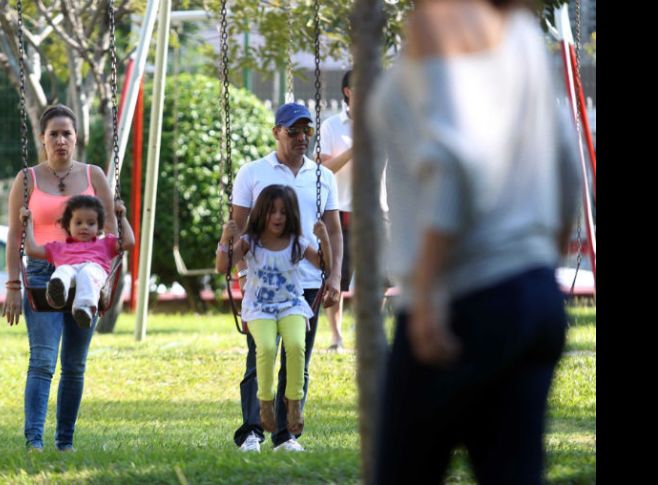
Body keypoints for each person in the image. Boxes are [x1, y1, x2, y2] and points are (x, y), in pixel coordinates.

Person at [368, 0, 582, 482]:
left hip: (462, 295)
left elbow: (452, 159)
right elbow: (564, 160)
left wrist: (424, 297)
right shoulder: (520, 30)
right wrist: (534, 265)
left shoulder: (439, 18)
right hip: (531, 296)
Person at [2, 104, 120, 452]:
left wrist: (107, 279)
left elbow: (112, 228)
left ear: (76, 137)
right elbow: (14, 235)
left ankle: (64, 442)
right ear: (42, 139)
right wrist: (12, 285)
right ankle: (34, 441)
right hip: (41, 274)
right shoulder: (28, 179)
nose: (60, 140)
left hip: (86, 274)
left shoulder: (93, 175)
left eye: (66, 133)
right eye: (53, 134)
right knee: (41, 360)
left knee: (74, 364)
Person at [229, 102, 343, 453]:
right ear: (277, 132)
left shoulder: (324, 177)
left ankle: (286, 435)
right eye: (293, 131)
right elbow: (238, 229)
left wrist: (335, 276)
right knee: (260, 353)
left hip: (307, 280)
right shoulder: (253, 172)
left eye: (306, 131)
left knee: (297, 357)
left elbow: (335, 232)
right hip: (262, 281)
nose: (301, 137)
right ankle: (252, 430)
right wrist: (243, 274)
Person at [217, 185, 331, 436]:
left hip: (291, 304)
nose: (278, 217)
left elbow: (325, 265)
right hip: (260, 307)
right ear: (262, 214)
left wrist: (323, 238)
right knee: (266, 347)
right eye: (271, 212)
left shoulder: (296, 242)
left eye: (283, 212)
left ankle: (293, 404)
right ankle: (265, 403)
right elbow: (222, 266)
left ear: (290, 215)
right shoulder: (250, 242)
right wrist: (226, 238)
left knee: (296, 345)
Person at [321, 70, 389, 351]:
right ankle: (336, 336)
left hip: (377, 211)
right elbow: (324, 168)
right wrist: (353, 150)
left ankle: (368, 333)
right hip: (342, 210)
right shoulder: (331, 126)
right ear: (347, 91)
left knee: (381, 275)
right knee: (336, 274)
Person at [20, 195, 135, 327]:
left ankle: (84, 308)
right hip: (71, 277)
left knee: (87, 272)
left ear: (99, 226)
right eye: (78, 222)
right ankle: (58, 292)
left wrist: (122, 217)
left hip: (94, 273)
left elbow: (129, 243)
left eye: (91, 223)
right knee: (63, 270)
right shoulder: (58, 247)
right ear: (68, 225)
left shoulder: (105, 243)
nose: (84, 227)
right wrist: (27, 224)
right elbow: (32, 250)